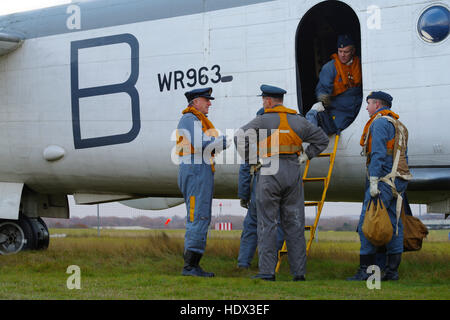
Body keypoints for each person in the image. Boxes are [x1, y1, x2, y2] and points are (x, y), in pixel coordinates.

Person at [235, 84, 329, 281]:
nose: (263, 102)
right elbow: (321, 140)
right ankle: (299, 273)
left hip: (269, 170)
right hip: (293, 170)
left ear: (268, 101)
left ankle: (267, 272)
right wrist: (307, 155)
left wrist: (252, 160)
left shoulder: (263, 119)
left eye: (263, 99)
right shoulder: (298, 120)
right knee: (295, 223)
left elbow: (239, 136)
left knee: (267, 223)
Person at [347, 91, 412, 281]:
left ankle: (366, 271)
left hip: (383, 180)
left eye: (368, 103)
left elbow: (378, 153)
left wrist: (374, 180)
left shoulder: (380, 122)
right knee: (394, 225)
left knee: (368, 223)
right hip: (398, 180)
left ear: (377, 104)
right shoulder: (398, 124)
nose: (366, 107)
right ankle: (392, 272)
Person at [176, 87, 229, 277]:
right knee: (197, 216)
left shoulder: (197, 120)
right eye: (206, 100)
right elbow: (200, 145)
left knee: (202, 216)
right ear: (195, 101)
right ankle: (189, 267)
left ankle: (194, 264)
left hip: (200, 170)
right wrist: (221, 141)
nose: (209, 103)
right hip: (195, 170)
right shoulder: (190, 119)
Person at [237, 107, 285, 269]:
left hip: (260, 187)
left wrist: (244, 196)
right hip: (279, 185)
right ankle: (272, 262)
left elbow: (245, 170)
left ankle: (243, 263)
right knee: (276, 224)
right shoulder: (282, 137)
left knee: (251, 226)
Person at [306, 34, 363, 133]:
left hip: (360, 107)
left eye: (346, 52)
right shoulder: (329, 68)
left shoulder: (361, 64)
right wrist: (323, 98)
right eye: (340, 51)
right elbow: (322, 89)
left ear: (353, 51)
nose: (342, 55)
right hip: (340, 110)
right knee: (335, 129)